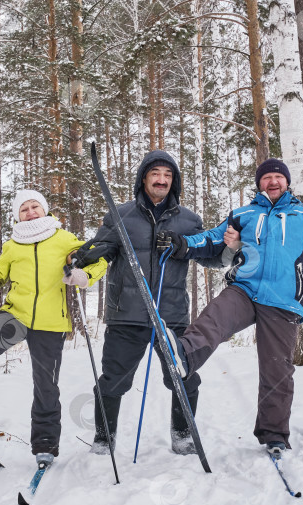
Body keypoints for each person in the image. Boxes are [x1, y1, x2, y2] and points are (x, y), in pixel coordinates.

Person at [157, 157, 303, 456]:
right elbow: (211, 239)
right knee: (215, 316)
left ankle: (275, 435)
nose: (272, 182)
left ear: (287, 182)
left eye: (277, 178)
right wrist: (181, 243)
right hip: (245, 288)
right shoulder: (243, 214)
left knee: (277, 370)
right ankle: (185, 356)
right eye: (266, 178)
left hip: (282, 300)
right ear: (259, 183)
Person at [0, 190, 107, 466]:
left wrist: (84, 275)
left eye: (35, 206)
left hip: (51, 323)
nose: (31, 211)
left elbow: (99, 259)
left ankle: (45, 444)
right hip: (16, 315)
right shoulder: (13, 245)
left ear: (44, 209)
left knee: (45, 385)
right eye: (24, 209)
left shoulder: (64, 238)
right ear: (18, 216)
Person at [73, 149, 233, 455]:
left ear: (174, 181)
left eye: (168, 175)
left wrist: (225, 248)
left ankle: (182, 433)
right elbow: (102, 249)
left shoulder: (188, 221)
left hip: (170, 315)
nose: (161, 180)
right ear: (143, 178)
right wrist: (86, 255)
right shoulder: (119, 214)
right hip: (126, 315)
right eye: (155, 174)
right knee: (112, 379)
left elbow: (211, 257)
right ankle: (104, 437)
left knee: (184, 375)